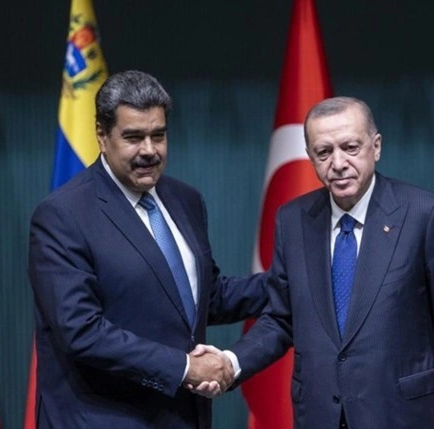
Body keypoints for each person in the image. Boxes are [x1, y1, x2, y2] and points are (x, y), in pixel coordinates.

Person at [197, 96, 434, 427]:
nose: (338, 163)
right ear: (311, 157)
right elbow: (281, 318)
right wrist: (231, 362)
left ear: (376, 147)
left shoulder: (425, 215)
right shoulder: (293, 220)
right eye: (324, 152)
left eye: (350, 147)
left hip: (403, 416)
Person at [28, 70, 267, 428]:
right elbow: (81, 330)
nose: (149, 151)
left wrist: (292, 279)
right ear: (101, 135)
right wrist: (185, 368)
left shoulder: (185, 200)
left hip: (184, 418)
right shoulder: (63, 215)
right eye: (133, 137)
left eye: (158, 135)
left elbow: (204, 299)